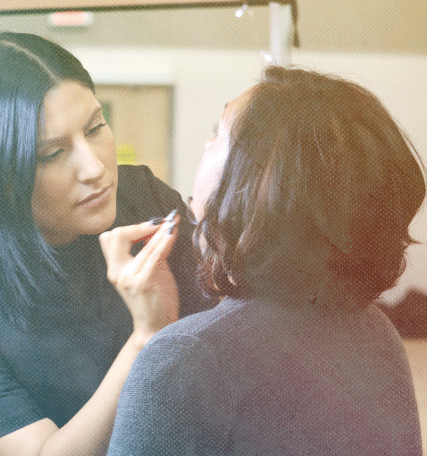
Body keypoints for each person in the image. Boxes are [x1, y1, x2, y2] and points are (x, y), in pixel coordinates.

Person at [0, 32, 215, 456]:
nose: (94, 168)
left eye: (96, 127)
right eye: (51, 154)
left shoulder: (143, 201)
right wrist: (147, 336)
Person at [104, 66, 425, 455]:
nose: (204, 145)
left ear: (259, 180)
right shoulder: (376, 330)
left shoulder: (185, 359)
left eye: (217, 132)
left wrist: (151, 334)